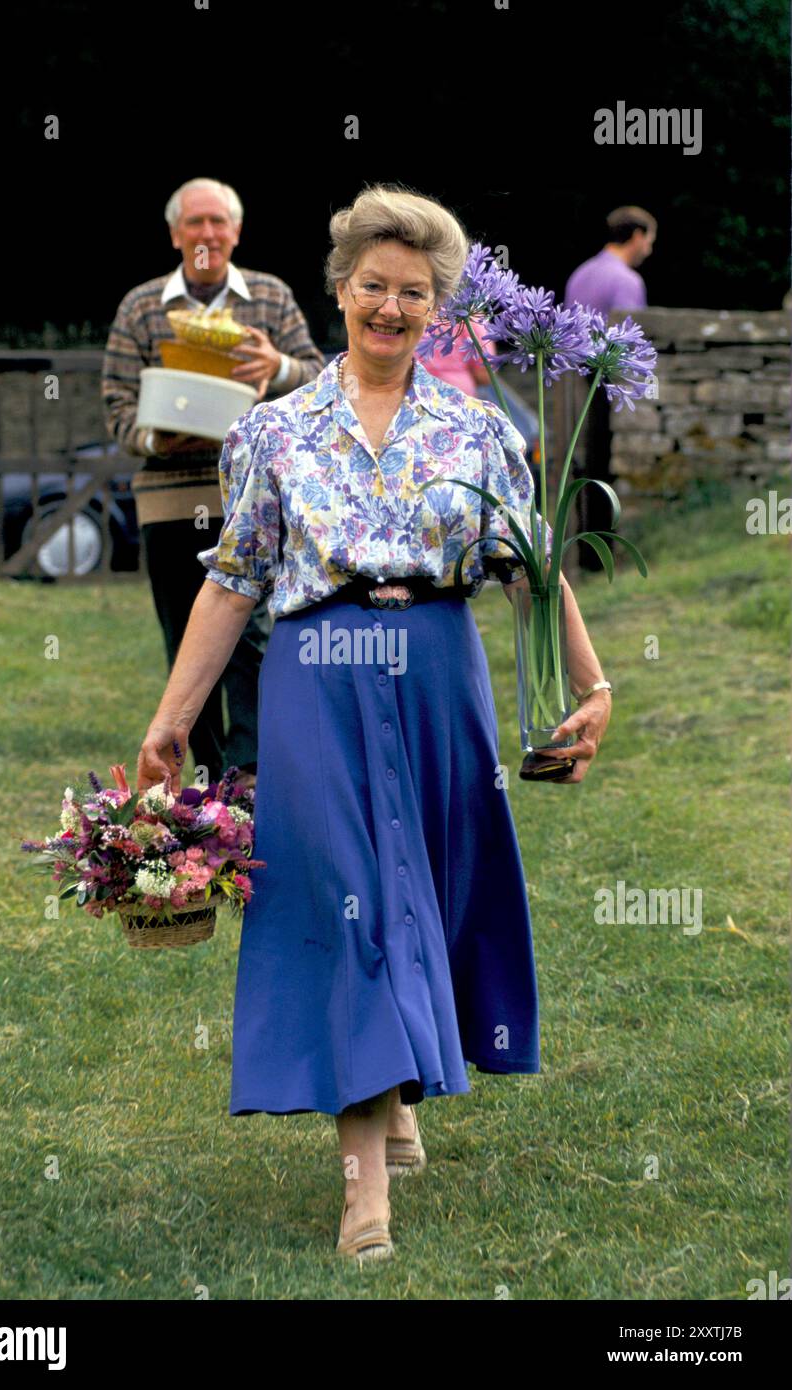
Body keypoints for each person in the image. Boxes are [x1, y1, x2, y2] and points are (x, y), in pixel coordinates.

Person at [135, 184, 613, 1262]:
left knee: (423, 888)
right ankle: (363, 1186)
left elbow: (533, 572)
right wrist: (173, 721)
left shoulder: (480, 430)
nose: (390, 309)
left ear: (436, 308)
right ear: (338, 290)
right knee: (343, 900)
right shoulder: (272, 430)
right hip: (316, 676)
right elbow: (230, 582)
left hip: (440, 670)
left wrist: (593, 684)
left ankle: (396, 1087)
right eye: (372, 288)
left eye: (413, 293)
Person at [102, 178, 324, 788]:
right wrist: (156, 436)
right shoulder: (141, 306)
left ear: (235, 231)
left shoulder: (271, 298)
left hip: (254, 497)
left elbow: (319, 376)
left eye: (217, 222)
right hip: (170, 498)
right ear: (176, 234)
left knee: (251, 632)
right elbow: (117, 406)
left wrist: (277, 366)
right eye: (194, 222)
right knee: (184, 637)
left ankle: (250, 770)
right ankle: (200, 768)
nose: (207, 234)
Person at [563, 206, 657, 568]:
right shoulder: (627, 281)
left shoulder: (581, 274)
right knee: (607, 463)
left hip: (575, 379)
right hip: (608, 381)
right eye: (649, 239)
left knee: (584, 462)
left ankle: (583, 552)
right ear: (636, 237)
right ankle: (601, 556)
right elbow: (630, 343)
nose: (649, 247)